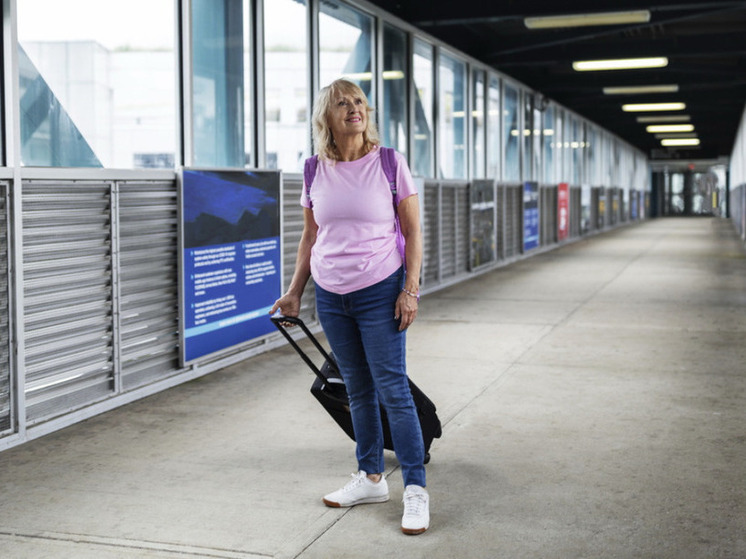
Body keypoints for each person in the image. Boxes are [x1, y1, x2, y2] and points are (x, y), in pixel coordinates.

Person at [270, 78, 429, 535]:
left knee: (392, 389)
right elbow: (311, 235)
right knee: (357, 389)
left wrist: (410, 289)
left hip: (381, 288)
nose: (354, 108)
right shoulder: (313, 170)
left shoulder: (388, 163)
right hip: (331, 295)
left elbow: (413, 231)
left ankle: (415, 489)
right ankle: (372, 478)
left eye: (359, 101)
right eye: (342, 103)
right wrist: (295, 291)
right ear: (327, 116)